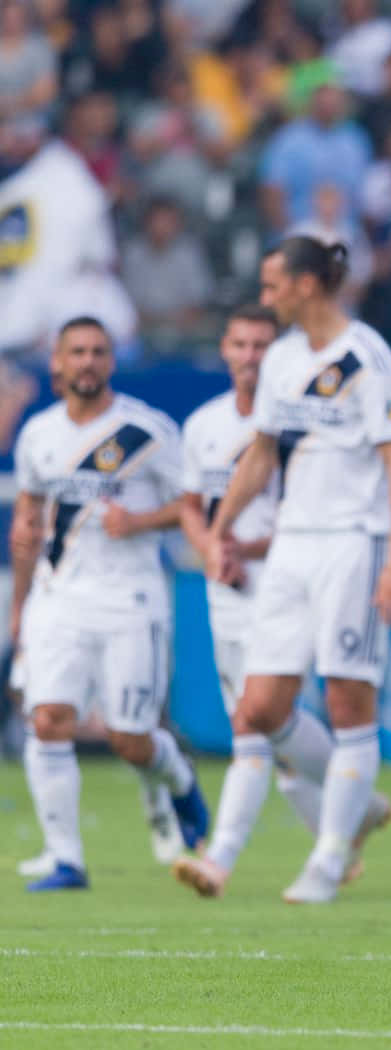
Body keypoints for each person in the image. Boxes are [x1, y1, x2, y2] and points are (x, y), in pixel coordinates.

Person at [180, 236, 391, 904]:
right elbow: (262, 454)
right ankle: (359, 806)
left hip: (353, 541)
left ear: (307, 285)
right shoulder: (283, 359)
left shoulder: (367, 358)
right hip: (292, 545)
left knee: (347, 703)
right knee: (259, 707)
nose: (267, 296)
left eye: (273, 283)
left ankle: (330, 856)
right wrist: (222, 527)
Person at [9, 316, 209, 892]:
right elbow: (28, 519)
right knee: (47, 720)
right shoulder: (38, 435)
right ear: (57, 364)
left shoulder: (147, 431)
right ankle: (65, 858)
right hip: (59, 595)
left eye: (98, 351)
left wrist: (141, 519)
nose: (88, 362)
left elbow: (193, 505)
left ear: (111, 362)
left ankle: (177, 777)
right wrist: (20, 600)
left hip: (130, 595)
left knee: (129, 737)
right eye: (77, 352)